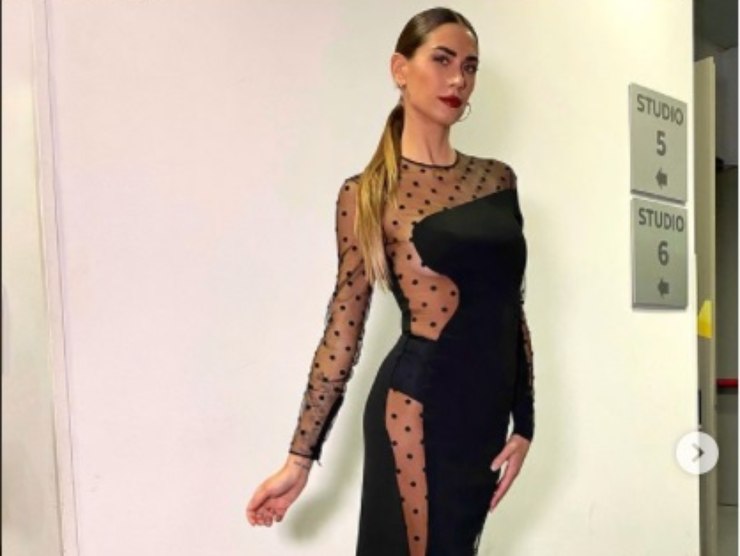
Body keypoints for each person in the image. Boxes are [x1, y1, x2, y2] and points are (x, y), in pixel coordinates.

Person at [246, 7, 535, 555]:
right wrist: (300, 459)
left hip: (483, 420)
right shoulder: (367, 195)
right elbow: (342, 332)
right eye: (442, 60)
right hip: (414, 414)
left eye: (470, 66)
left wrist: (525, 422)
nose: (458, 79)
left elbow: (510, 307)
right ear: (400, 69)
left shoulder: (498, 180)